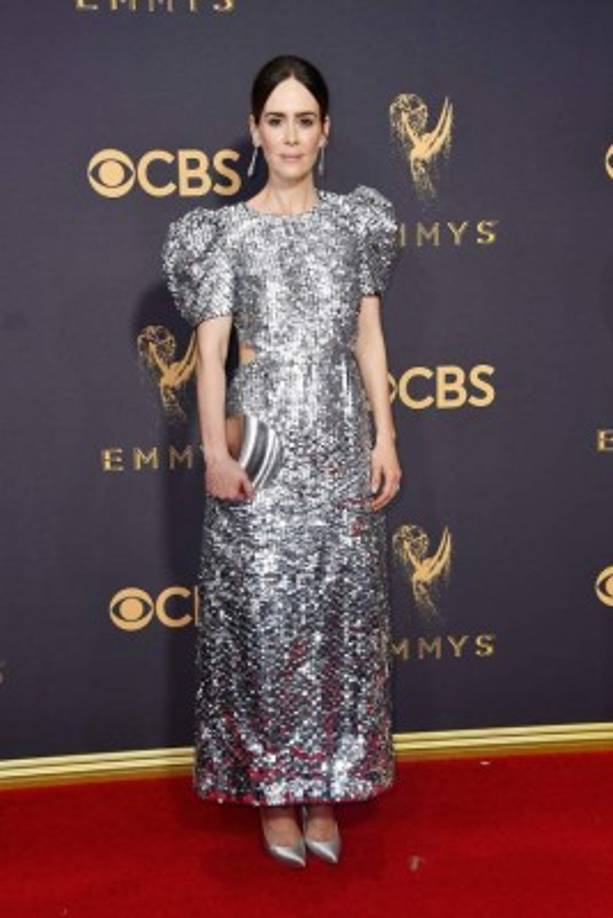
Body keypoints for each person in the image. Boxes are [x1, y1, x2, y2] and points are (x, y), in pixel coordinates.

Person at [161, 54, 402, 868]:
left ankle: (326, 785)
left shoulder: (358, 223)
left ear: (325, 131)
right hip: (260, 446)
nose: (290, 135)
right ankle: (270, 794)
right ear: (255, 129)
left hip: (338, 438)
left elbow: (368, 338)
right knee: (260, 625)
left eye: (305, 120)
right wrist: (213, 455)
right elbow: (209, 356)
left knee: (337, 618)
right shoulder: (221, 231)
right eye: (276, 120)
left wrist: (385, 436)